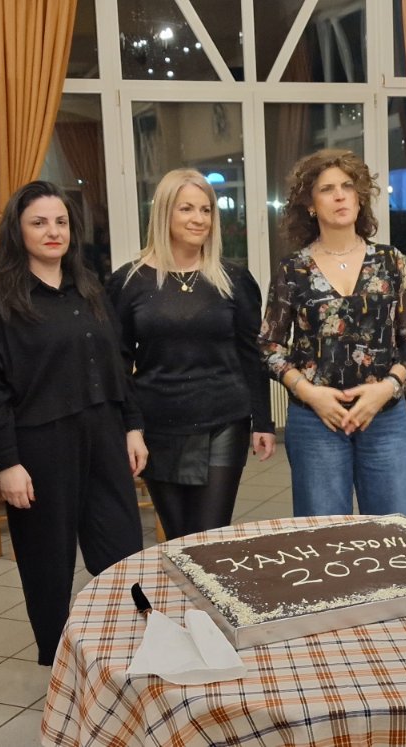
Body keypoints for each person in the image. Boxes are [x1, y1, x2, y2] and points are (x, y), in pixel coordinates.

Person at [0, 180, 147, 664]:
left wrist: (132, 426)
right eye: (39, 222)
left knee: (122, 549)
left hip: (104, 435)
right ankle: (60, 661)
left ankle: (126, 650)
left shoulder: (90, 287)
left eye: (61, 222)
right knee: (48, 563)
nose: (53, 231)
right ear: (18, 230)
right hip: (40, 447)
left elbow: (117, 363)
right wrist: (8, 462)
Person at [108, 169, 275, 539]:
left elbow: (252, 354)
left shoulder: (233, 279)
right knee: (179, 537)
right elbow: (118, 363)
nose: (199, 219)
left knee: (208, 536)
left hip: (224, 420)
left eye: (206, 210)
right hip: (157, 424)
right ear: (164, 213)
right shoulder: (128, 282)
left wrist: (263, 421)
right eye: (187, 208)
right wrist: (130, 427)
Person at [259, 148, 406, 517]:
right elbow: (270, 346)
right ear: (310, 205)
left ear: (360, 197)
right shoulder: (293, 269)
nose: (340, 196)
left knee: (394, 531)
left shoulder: (391, 261)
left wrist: (388, 387)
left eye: (348, 186)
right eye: (327, 189)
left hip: (384, 415)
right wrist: (309, 393)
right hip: (316, 419)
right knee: (325, 534)